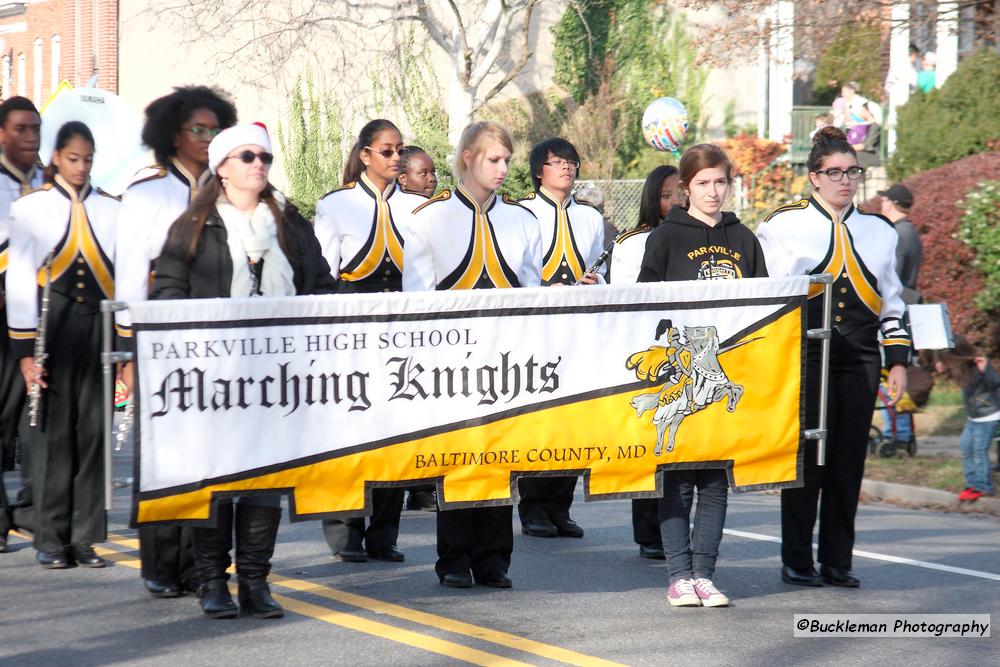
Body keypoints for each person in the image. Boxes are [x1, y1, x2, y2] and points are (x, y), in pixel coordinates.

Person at [151, 123, 337, 618]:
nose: (259, 165)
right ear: (222, 167)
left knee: (264, 484)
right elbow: (167, 293)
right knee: (215, 482)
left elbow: (321, 286)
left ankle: (256, 581)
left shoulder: (289, 223)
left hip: (278, 378)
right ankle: (213, 580)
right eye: (247, 156)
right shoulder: (192, 225)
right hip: (213, 381)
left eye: (265, 158)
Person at [757, 127, 911, 588]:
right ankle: (797, 559)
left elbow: (893, 303)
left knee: (848, 461)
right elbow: (768, 299)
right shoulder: (783, 224)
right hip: (805, 359)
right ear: (814, 178)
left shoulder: (880, 231)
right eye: (835, 173)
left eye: (852, 172)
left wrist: (898, 360)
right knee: (807, 461)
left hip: (861, 359)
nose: (846, 181)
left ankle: (838, 560)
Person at [403, 121, 542, 589]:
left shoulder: (523, 220)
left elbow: (532, 298)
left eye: (506, 159)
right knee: (457, 458)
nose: (504, 169)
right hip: (450, 367)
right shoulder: (428, 219)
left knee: (502, 459)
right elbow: (416, 301)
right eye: (493, 160)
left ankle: (494, 558)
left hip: (508, 365)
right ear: (467, 158)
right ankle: (454, 558)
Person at [115, 85, 237, 598]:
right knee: (166, 453)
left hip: (217, 342)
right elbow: (127, 278)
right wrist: (129, 350)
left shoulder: (227, 190)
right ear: (174, 135)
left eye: (215, 129)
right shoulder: (147, 193)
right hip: (162, 339)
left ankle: (202, 564)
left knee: (212, 455)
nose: (208, 138)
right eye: (199, 130)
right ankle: (162, 564)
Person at [637, 145, 767, 608]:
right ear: (686, 187)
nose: (713, 192)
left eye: (720, 182)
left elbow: (764, 308)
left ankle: (706, 574)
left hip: (728, 367)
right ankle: (678, 575)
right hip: (683, 370)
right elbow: (646, 307)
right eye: (703, 183)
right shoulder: (666, 237)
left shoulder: (744, 237)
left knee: (715, 481)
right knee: (677, 477)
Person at [6, 121, 119, 568]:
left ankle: (84, 536)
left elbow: (121, 280)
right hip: (51, 328)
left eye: (87, 159)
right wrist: (24, 353)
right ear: (56, 158)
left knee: (92, 433)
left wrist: (124, 345)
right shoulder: (31, 208)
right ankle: (51, 538)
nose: (80, 167)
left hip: (95, 327)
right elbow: (19, 279)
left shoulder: (111, 208)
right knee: (52, 434)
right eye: (73, 158)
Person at [313, 119, 409, 563]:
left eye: (399, 151)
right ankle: (345, 530)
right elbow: (324, 276)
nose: (395, 159)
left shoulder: (418, 207)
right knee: (351, 428)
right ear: (366, 154)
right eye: (385, 151)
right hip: (351, 324)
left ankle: (384, 533)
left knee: (397, 431)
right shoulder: (337, 205)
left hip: (403, 328)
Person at [515, 137, 605, 540]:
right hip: (538, 326)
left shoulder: (589, 217)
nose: (567, 168)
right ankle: (533, 506)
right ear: (539, 170)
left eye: (572, 161)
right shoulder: (521, 213)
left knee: (575, 416)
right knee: (542, 417)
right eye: (557, 162)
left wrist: (596, 280)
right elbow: (517, 272)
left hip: (578, 325)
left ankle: (561, 507)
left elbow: (605, 268)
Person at [611, 165, 680, 559]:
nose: (676, 202)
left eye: (681, 194)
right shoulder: (633, 242)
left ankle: (677, 529)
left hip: (687, 348)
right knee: (654, 440)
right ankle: (650, 533)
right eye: (668, 195)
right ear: (653, 198)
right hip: (650, 351)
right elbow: (627, 301)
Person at [0, 96, 43, 551]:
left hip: (40, 316)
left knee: (36, 420)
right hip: (1, 313)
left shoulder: (50, 184)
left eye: (35, 129)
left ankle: (33, 510)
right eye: (20, 129)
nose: (30, 138)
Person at [395, 144, 439, 513]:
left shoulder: (438, 211)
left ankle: (424, 485)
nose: (430, 179)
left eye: (433, 172)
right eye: (422, 173)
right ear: (402, 177)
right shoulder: (397, 208)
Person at [934, 338, 999, 502]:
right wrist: (942, 368)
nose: (945, 363)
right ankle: (972, 483)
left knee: (978, 450)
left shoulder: (978, 364)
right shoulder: (959, 369)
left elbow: (996, 383)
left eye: (946, 360)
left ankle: (984, 486)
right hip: (974, 417)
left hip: (988, 416)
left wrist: (986, 370)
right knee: (966, 447)